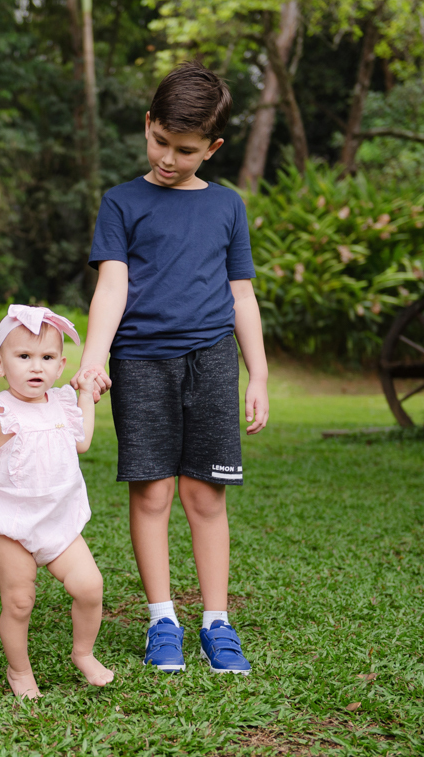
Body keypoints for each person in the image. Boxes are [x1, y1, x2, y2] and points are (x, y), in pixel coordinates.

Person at [70, 61, 270, 675]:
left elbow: (241, 295)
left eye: (185, 151)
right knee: (152, 490)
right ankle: (163, 618)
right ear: (149, 124)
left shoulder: (227, 208)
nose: (168, 158)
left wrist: (257, 373)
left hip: (211, 360)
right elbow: (112, 287)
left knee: (206, 494)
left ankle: (217, 621)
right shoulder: (122, 202)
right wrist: (94, 358)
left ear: (211, 148)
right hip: (140, 361)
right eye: (160, 142)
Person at [0, 305, 114, 699]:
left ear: (60, 364)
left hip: (59, 524)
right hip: (10, 527)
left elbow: (82, 441)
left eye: (47, 358)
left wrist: (85, 394)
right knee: (19, 601)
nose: (37, 367)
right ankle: (19, 670)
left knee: (90, 587)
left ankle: (83, 653)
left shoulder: (62, 404)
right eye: (24, 357)